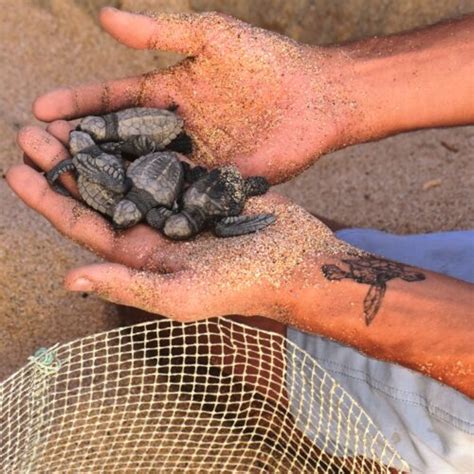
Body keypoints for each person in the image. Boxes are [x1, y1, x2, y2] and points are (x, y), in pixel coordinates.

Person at [6, 8, 473, 472]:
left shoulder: (162, 211)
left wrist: (301, 279)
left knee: (170, 305)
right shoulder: (151, 202)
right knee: (188, 253)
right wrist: (329, 88)